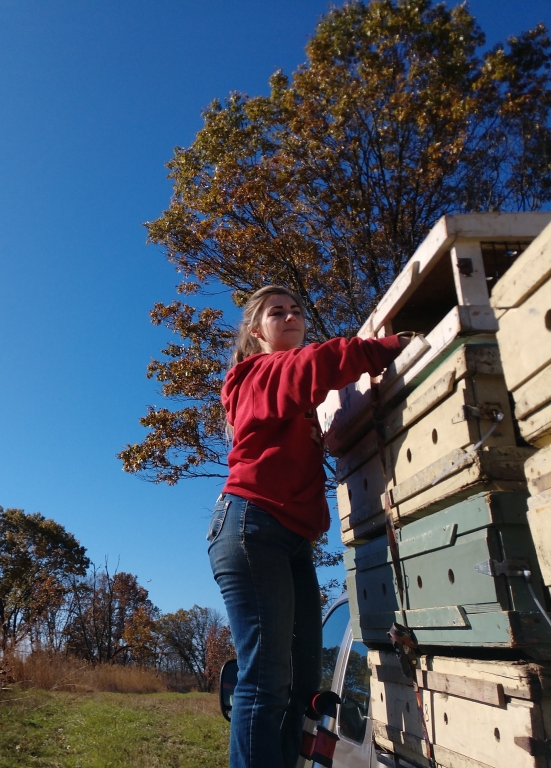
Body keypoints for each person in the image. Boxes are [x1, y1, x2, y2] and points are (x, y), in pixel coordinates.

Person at [207, 285, 406, 768]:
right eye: (279, 312)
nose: (292, 315)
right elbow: (313, 366)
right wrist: (388, 347)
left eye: (297, 309)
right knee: (265, 679)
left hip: (289, 537)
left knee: (300, 683)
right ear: (257, 332)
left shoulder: (288, 397)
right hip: (252, 526)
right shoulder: (254, 373)